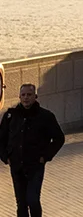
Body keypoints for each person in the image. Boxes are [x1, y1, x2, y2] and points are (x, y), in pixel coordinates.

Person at [0, 80, 64, 217]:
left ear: (35, 97)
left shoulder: (45, 116)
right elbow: (1, 139)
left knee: (33, 200)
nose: (26, 98)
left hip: (35, 165)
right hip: (17, 166)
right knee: (21, 203)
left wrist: (45, 156)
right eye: (23, 95)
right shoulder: (11, 116)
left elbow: (59, 138)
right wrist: (6, 157)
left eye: (29, 94)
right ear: (19, 97)